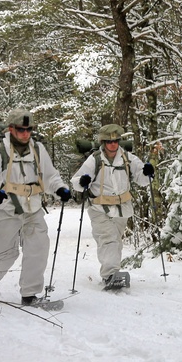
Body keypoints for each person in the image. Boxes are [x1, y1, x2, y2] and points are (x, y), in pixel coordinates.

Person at [0, 107, 71, 305]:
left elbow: (50, 175)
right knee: (5, 253)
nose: (25, 134)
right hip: (7, 208)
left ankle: (29, 294)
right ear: (11, 129)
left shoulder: (38, 149)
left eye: (28, 130)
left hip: (33, 208)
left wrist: (60, 188)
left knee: (38, 248)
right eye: (21, 130)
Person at [70, 124, 153, 290]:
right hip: (99, 208)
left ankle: (112, 273)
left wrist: (148, 172)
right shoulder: (95, 159)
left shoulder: (129, 158)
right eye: (109, 141)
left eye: (116, 141)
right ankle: (110, 275)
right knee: (107, 240)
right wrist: (82, 181)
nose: (113, 144)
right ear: (103, 142)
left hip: (122, 208)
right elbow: (77, 181)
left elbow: (142, 179)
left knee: (115, 241)